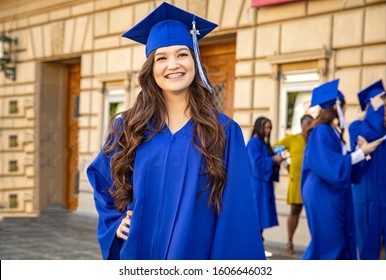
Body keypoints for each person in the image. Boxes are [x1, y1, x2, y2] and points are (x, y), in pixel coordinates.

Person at [86, 2, 265, 260]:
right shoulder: (128, 127)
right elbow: (102, 179)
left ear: (195, 60)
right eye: (162, 58)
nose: (173, 65)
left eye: (182, 54)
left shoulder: (224, 132)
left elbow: (236, 212)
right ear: (151, 68)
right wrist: (116, 223)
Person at [300, 79, 384, 260]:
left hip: (332, 193)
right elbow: (331, 166)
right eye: (344, 107)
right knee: (330, 244)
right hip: (323, 194)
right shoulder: (321, 131)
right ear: (336, 107)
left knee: (337, 242)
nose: (345, 111)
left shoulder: (333, 133)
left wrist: (363, 153)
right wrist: (361, 152)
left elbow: (345, 164)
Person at [349, 79, 386, 259]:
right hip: (367, 199)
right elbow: (370, 133)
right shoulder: (357, 127)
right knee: (368, 248)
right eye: (384, 105)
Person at [273, 114, 313, 255]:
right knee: (295, 210)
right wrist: (285, 164)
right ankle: (289, 241)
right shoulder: (293, 139)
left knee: (313, 213)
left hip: (312, 182)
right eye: (308, 122)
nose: (310, 125)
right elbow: (275, 149)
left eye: (312, 123)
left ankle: (314, 245)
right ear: (302, 124)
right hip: (296, 180)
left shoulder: (315, 140)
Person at [247, 116, 285, 257]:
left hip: (264, 185)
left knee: (261, 219)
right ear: (259, 127)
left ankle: (258, 247)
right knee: (257, 217)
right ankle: (254, 249)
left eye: (270, 127)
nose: (268, 130)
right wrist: (272, 160)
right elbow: (256, 164)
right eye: (266, 127)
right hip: (257, 186)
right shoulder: (253, 143)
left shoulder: (263, 143)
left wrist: (277, 160)